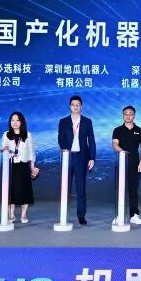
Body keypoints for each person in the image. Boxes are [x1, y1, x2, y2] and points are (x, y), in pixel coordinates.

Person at [57, 95, 96, 225]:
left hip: (81, 157)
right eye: (73, 104)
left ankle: (81, 215)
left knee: (81, 188)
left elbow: (91, 140)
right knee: (65, 187)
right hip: (67, 157)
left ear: (81, 107)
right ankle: (63, 214)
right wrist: (65, 151)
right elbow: (60, 139)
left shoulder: (87, 121)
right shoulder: (63, 121)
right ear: (70, 106)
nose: (75, 107)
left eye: (78, 105)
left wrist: (92, 158)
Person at [111, 105, 141, 225]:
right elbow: (114, 144)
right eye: (125, 114)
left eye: (130, 114)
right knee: (120, 189)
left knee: (133, 189)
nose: (128, 116)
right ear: (123, 115)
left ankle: (134, 214)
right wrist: (122, 152)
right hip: (121, 163)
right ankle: (119, 215)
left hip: (135, 164)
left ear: (134, 115)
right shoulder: (117, 130)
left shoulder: (140, 130)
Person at [2, 111, 39, 224]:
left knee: (24, 190)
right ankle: (11, 214)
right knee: (11, 191)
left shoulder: (28, 135)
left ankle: (24, 214)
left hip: (23, 166)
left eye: (17, 120)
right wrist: (6, 150)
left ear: (21, 122)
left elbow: (31, 153)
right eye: (12, 120)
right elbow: (4, 149)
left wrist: (32, 167)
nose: (15, 122)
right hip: (10, 166)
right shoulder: (6, 134)